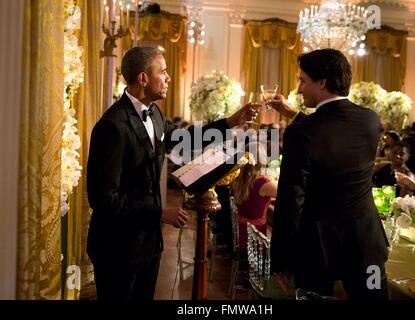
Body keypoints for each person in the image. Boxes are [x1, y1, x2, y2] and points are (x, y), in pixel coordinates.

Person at [86, 46, 253, 300]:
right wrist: (159, 213)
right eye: (163, 72)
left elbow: (186, 138)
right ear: (143, 78)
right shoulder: (112, 127)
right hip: (117, 247)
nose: (168, 78)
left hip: (148, 243)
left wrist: (229, 122)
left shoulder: (153, 113)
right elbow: (103, 198)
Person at [269, 49, 389, 300]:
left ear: (322, 82)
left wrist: (280, 260)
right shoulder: (370, 120)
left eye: (303, 80)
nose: (300, 89)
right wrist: (295, 115)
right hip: (366, 244)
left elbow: (290, 201)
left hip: (318, 250)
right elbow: (334, 131)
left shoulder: (300, 133)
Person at [231, 142, 277, 263]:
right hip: (255, 241)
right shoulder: (263, 183)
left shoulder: (237, 179)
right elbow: (287, 192)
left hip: (239, 236)